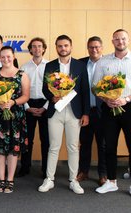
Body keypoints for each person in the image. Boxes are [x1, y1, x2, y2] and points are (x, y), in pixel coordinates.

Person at [38, 35, 90, 194]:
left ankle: (73, 180)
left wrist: (86, 113)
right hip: (56, 111)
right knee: (53, 146)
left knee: (73, 147)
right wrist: (51, 96)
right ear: (56, 48)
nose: (63, 49)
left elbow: (85, 91)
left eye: (66, 45)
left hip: (74, 112)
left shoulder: (80, 66)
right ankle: (49, 179)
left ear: (71, 46)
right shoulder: (50, 65)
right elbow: (45, 89)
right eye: (60, 46)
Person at [0, 46, 30, 193]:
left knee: (13, 149)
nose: (5, 59)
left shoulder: (22, 74)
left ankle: (10, 180)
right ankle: (1, 179)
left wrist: (13, 102)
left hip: (15, 116)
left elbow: (26, 96)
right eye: (2, 57)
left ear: (13, 56)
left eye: (8, 56)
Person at [93, 29, 131, 194]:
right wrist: (106, 99)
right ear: (112, 41)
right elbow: (95, 87)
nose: (120, 41)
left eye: (123, 38)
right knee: (109, 146)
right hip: (109, 109)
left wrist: (125, 99)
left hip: (129, 107)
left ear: (128, 40)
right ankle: (111, 181)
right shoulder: (103, 61)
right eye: (116, 39)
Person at [77, 36, 107, 186]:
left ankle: (103, 174)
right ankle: (83, 171)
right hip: (85, 111)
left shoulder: (108, 62)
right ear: (87, 48)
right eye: (91, 47)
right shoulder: (80, 63)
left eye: (97, 47)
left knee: (102, 144)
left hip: (103, 111)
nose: (94, 50)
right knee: (85, 143)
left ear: (102, 48)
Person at [19, 37, 49, 178]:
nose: (37, 49)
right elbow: (19, 90)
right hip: (28, 104)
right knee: (27, 139)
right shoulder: (24, 67)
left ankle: (46, 169)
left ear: (44, 48)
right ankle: (25, 167)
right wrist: (26, 106)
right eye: (34, 46)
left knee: (46, 139)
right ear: (30, 49)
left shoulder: (50, 66)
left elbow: (54, 90)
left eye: (39, 46)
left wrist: (45, 107)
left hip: (46, 105)